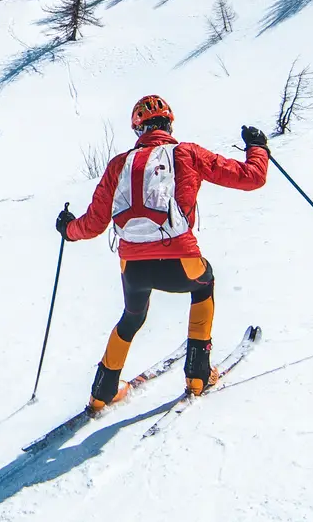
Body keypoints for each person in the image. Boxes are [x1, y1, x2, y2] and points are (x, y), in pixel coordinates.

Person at [56, 95, 269, 413]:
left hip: (134, 267)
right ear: (169, 124)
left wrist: (68, 230)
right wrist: (258, 148)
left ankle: (101, 394)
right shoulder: (186, 153)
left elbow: (94, 223)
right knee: (204, 286)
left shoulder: (120, 165)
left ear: (138, 129)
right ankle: (197, 377)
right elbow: (252, 178)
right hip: (181, 261)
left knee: (132, 317)